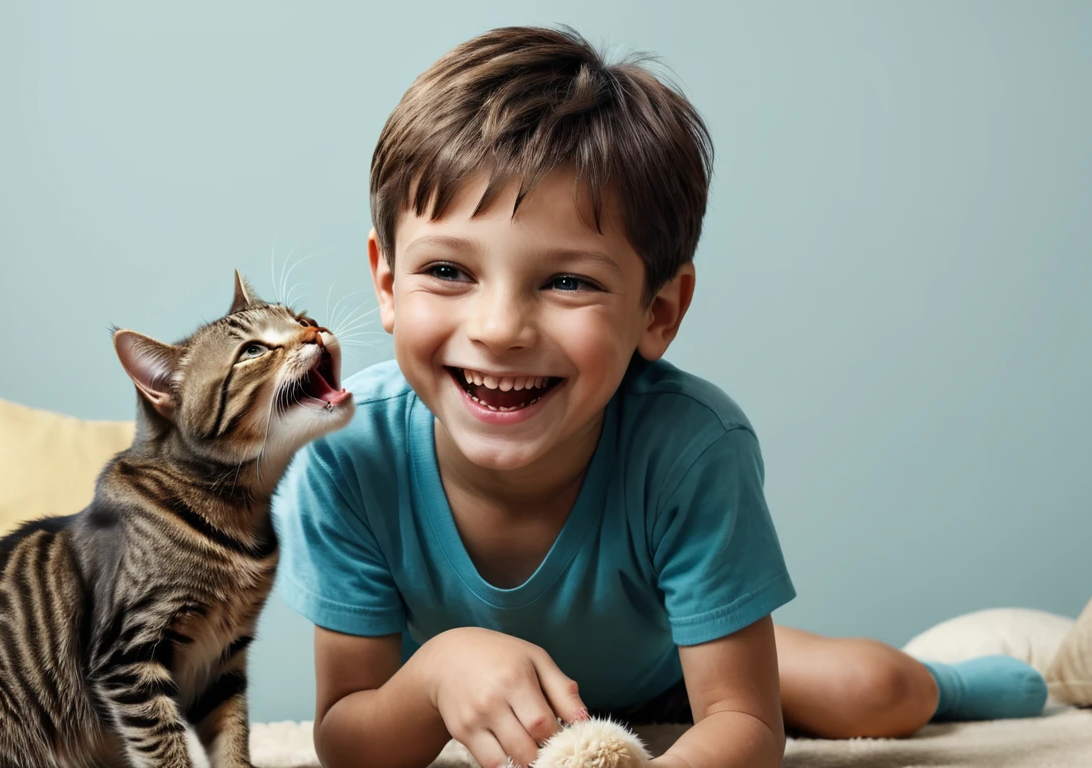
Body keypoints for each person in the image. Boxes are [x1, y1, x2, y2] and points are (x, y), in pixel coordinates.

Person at [274, 25, 1047, 768]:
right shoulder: (345, 447)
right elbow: (347, 735)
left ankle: (949, 680)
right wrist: (438, 670)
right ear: (385, 281)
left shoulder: (691, 447)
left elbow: (744, 723)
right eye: (448, 271)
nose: (500, 328)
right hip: (462, 693)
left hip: (669, 668)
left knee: (876, 691)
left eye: (567, 280)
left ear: (658, 312)